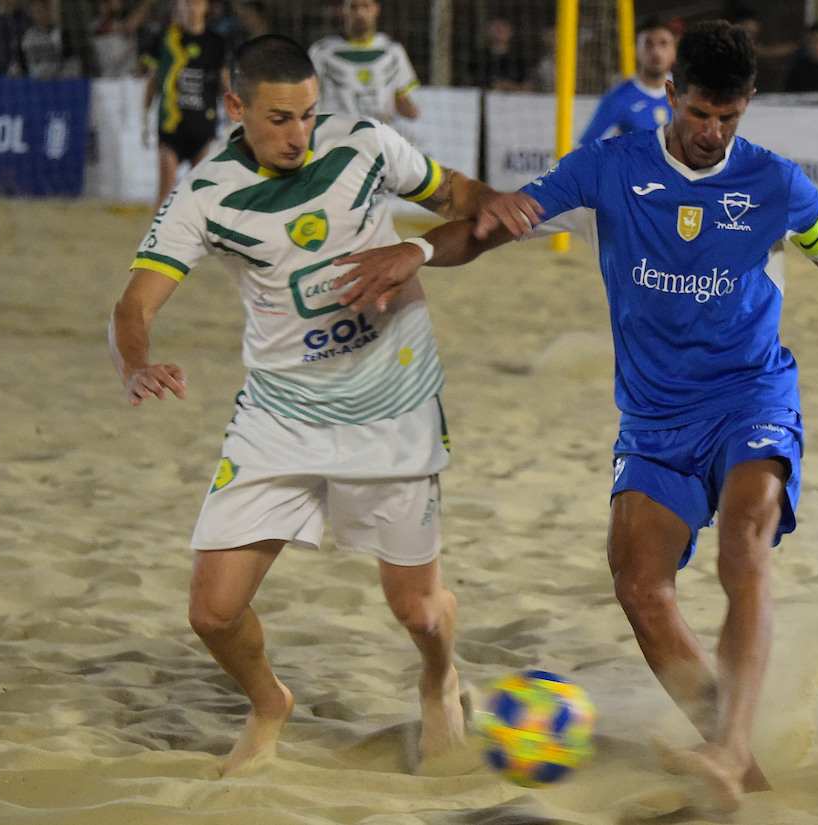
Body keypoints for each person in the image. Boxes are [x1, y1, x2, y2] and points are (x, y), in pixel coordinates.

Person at [330, 20, 818, 811]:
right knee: (638, 582)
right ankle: (737, 757)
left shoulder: (777, 184)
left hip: (751, 394)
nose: (713, 132)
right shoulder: (608, 166)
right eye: (700, 114)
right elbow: (490, 226)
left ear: (747, 105)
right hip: (654, 416)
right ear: (671, 94)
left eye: (729, 116)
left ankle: (725, 746)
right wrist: (418, 251)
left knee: (744, 544)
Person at [110, 33, 536, 778]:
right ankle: (270, 701)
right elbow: (135, 302)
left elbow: (461, 198)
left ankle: (440, 675)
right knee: (211, 612)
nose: (298, 135)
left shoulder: (366, 144)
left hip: (393, 403)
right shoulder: (205, 193)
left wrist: (461, 224)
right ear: (235, 106)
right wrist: (136, 363)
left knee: (420, 612)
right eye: (278, 118)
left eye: (308, 114)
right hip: (282, 416)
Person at [143, 0, 230, 207]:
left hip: (202, 126)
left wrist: (233, 115)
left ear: (206, 7)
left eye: (196, 3)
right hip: (171, 126)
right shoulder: (166, 39)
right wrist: (145, 116)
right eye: (186, 3)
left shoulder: (216, 42)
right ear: (178, 7)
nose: (191, 8)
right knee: (166, 189)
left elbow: (225, 83)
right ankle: (159, 238)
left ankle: (200, 238)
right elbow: (153, 81)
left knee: (203, 190)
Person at [308, 0, 420, 122]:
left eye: (365, 6)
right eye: (353, 7)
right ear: (343, 10)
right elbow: (309, 98)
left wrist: (411, 111)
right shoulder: (321, 53)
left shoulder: (392, 51)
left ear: (376, 9)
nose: (359, 13)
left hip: (379, 135)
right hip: (339, 136)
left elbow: (401, 99)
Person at [578, 17, 676, 145]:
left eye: (663, 44)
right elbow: (583, 150)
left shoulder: (686, 93)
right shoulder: (618, 98)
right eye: (648, 44)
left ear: (674, 50)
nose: (656, 52)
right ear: (636, 51)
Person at [90, 0, 158, 77]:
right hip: (113, 79)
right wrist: (148, 2)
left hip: (129, 75)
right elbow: (128, 26)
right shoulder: (100, 24)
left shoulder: (120, 17)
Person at [465, 18, 526, 91]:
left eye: (503, 28)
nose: (499, 31)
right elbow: (468, 82)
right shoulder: (478, 57)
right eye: (496, 28)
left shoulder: (519, 59)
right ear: (488, 32)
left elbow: (528, 85)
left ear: (510, 32)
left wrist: (511, 86)